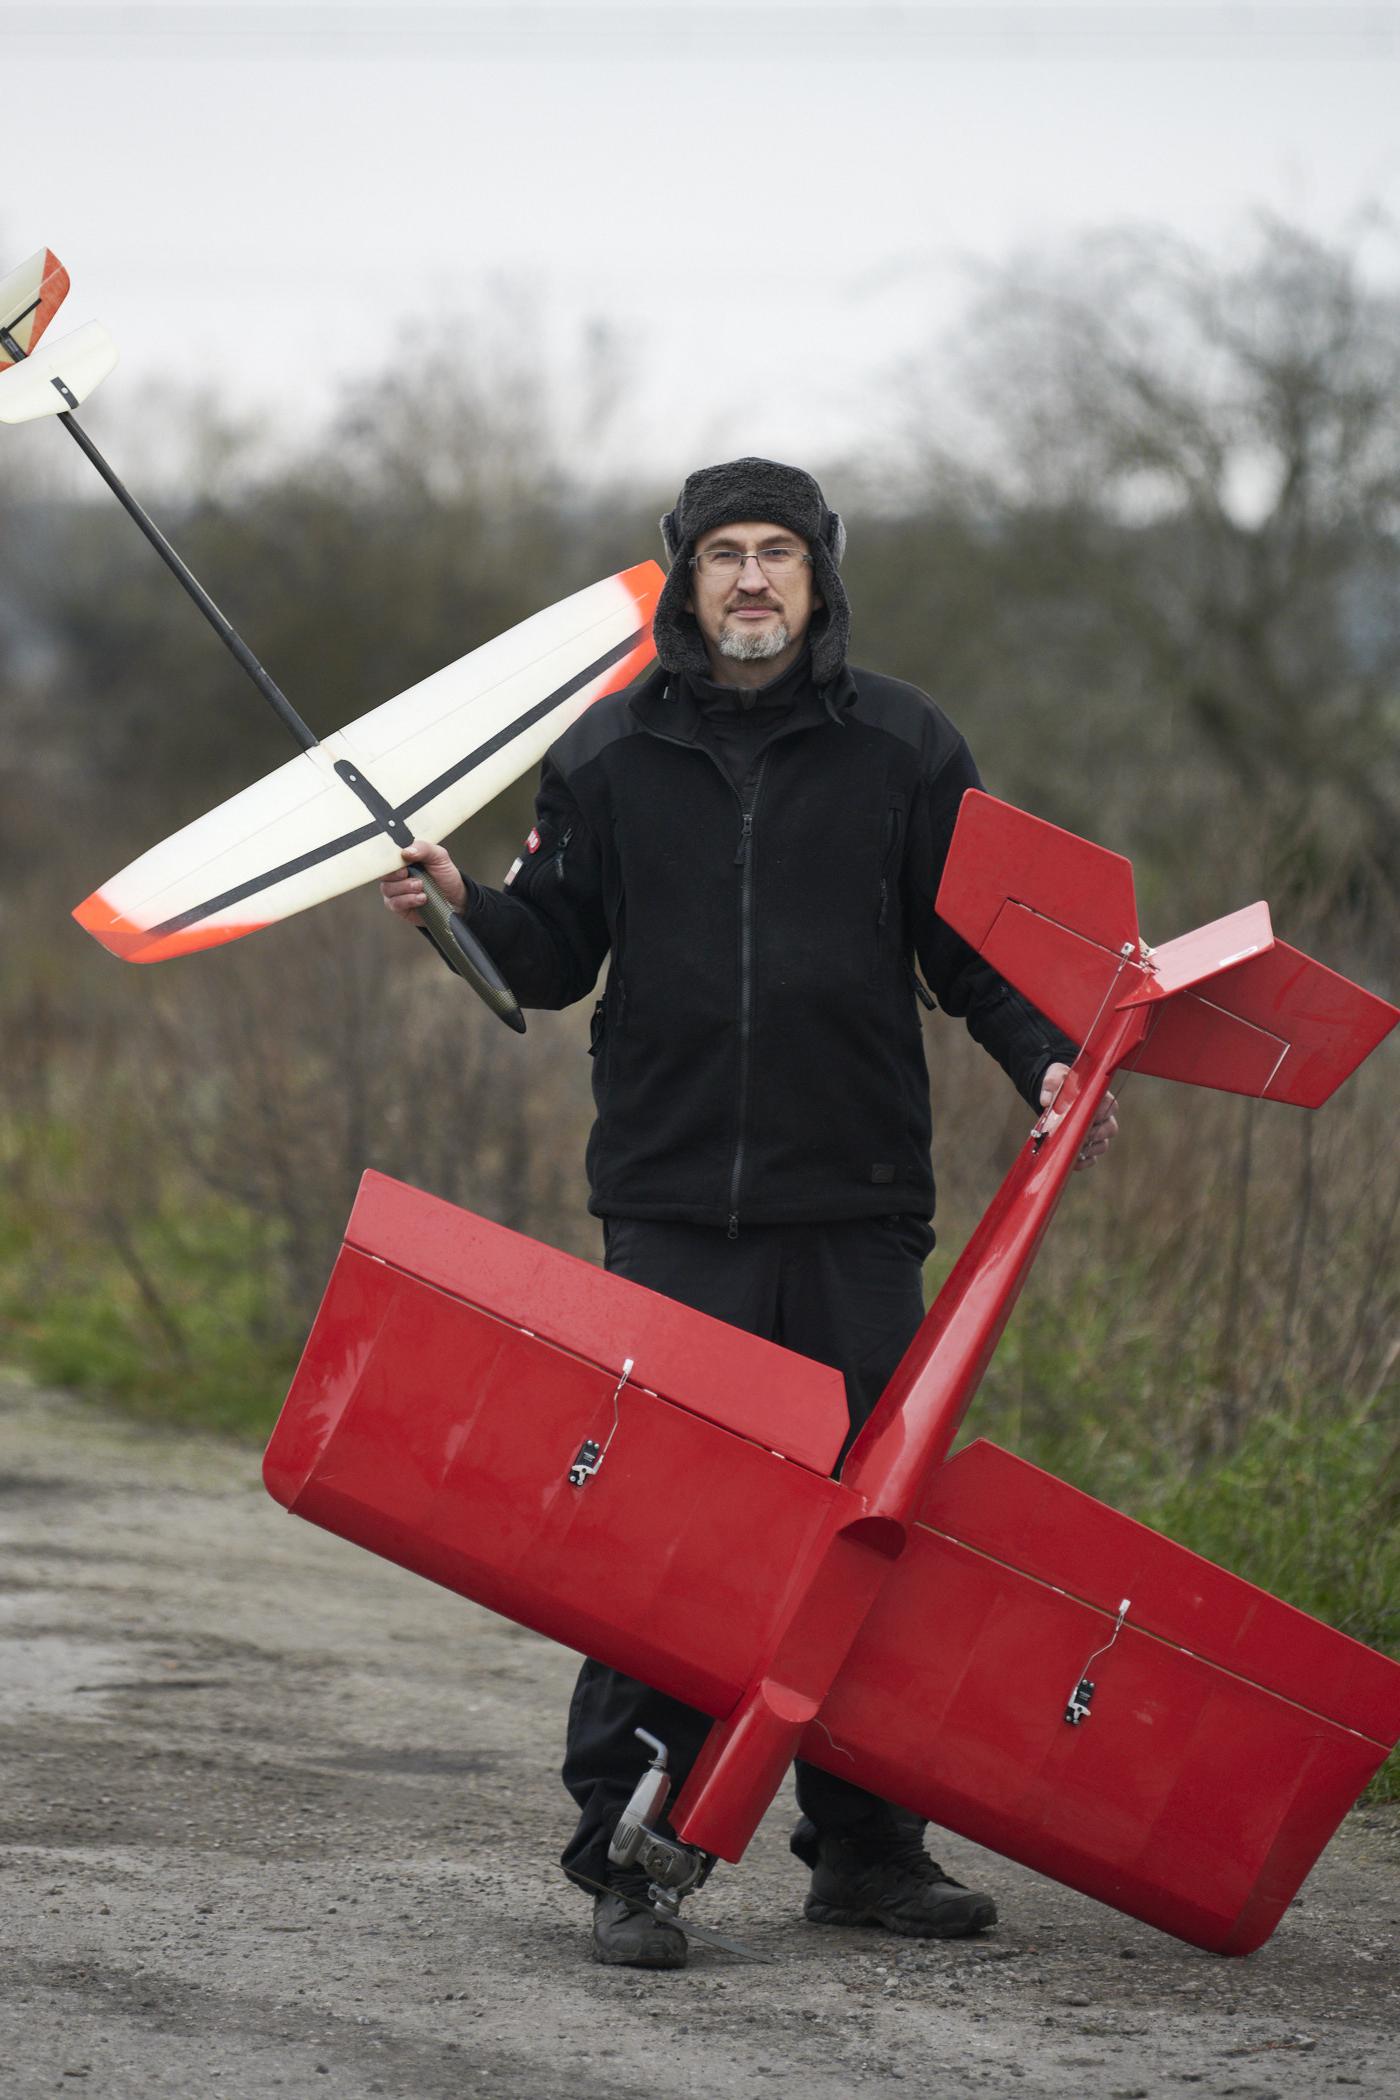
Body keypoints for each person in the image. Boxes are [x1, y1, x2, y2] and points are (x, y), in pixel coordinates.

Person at [380, 457, 1118, 1970]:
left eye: (780, 551)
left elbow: (975, 951)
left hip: (857, 1206)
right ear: (688, 579)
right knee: (661, 1538)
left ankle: (865, 1850)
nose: (754, 579)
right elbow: (548, 958)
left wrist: (1050, 1059)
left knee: (865, 1533)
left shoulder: (907, 745)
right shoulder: (608, 751)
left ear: (820, 575)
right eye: (725, 554)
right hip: (671, 1208)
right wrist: (461, 906)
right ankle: (624, 1856)